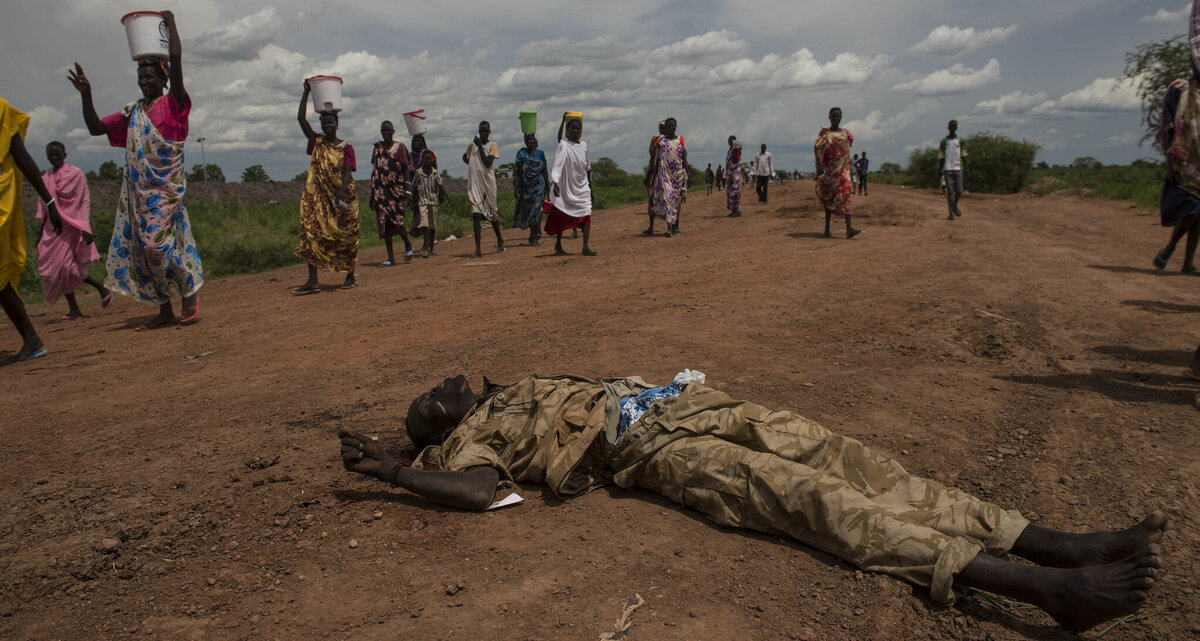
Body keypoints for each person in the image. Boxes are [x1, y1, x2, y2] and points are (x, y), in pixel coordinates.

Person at [338, 371, 1166, 634]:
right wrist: (397, 468)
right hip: (648, 449)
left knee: (854, 460)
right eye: (432, 395)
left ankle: (1050, 541)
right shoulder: (466, 442)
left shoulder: (502, 387)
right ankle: (1037, 588)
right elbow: (478, 490)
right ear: (437, 424)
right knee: (811, 498)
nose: (445, 381)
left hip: (680, 403)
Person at [68, 11, 201, 329]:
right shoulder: (133, 111)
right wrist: (87, 96)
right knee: (142, 251)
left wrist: (170, 28)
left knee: (158, 245)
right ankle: (164, 311)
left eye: (150, 77)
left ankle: (188, 289)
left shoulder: (174, 104)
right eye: (141, 78)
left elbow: (178, 61)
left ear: (164, 79)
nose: (144, 81)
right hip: (138, 194)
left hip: (164, 191)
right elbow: (96, 128)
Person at [1, 98, 64, 363]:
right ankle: (31, 338)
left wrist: (49, 202)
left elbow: (22, 158)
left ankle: (32, 339)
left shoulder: (1, 110)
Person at [293, 81, 357, 294]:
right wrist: (306, 93)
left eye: (330, 123)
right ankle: (313, 280)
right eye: (324, 123)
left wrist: (341, 192)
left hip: (341, 196)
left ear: (337, 123)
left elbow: (348, 171)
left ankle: (349, 274)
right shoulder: (317, 142)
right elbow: (301, 119)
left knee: (346, 234)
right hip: (318, 197)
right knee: (311, 231)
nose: (327, 126)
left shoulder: (346, 146)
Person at [36, 141, 110, 320]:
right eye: (51, 155)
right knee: (58, 270)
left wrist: (84, 227)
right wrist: (40, 233)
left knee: (70, 269)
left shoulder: (75, 174)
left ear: (65, 155)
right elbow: (46, 207)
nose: (54, 158)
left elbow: (83, 201)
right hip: (54, 229)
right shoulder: (45, 177)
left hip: (73, 228)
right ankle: (74, 310)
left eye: (57, 154)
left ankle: (102, 288)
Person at [1154, 62, 1200, 275]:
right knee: (1191, 206)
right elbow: (1167, 125)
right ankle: (1171, 247)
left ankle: (1188, 262)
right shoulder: (1179, 89)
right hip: (1184, 161)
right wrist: (1171, 162)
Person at [545, 114, 595, 256]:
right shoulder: (564, 145)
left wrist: (591, 188)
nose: (575, 130)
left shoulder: (584, 146)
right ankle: (558, 245)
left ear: (581, 130)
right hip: (567, 186)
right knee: (562, 213)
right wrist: (562, 121)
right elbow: (558, 139)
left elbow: (588, 168)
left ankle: (585, 247)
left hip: (582, 187)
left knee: (586, 212)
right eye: (572, 128)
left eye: (577, 128)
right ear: (568, 130)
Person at [369, 121, 412, 266]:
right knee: (385, 223)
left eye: (388, 130)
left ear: (393, 131)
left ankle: (408, 244)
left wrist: (407, 188)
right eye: (383, 130)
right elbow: (374, 170)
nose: (386, 132)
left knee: (398, 222)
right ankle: (391, 257)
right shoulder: (377, 148)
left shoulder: (400, 147)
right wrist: (371, 194)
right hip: (381, 192)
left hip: (396, 191)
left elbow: (406, 167)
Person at [814, 107, 861, 239]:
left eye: (838, 116)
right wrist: (820, 169)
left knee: (846, 196)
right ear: (829, 117)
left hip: (843, 171)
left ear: (841, 118)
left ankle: (849, 229)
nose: (836, 118)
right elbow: (818, 151)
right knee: (829, 197)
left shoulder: (846, 134)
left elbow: (846, 151)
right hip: (829, 171)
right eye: (833, 116)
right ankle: (827, 229)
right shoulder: (825, 134)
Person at [463, 121, 504, 258]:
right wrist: (468, 155)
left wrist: (480, 146)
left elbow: (487, 163)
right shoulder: (472, 146)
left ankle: (500, 239)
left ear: (489, 132)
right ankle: (478, 249)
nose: (484, 133)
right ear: (479, 131)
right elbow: (468, 159)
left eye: (486, 131)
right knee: (475, 215)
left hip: (488, 185)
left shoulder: (493, 146)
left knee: (492, 215)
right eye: (481, 131)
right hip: (475, 185)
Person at [645, 117, 688, 237]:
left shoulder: (680, 140)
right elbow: (656, 159)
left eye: (671, 126)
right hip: (664, 175)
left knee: (675, 200)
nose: (669, 128)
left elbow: (683, 157)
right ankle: (669, 228)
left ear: (675, 127)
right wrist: (652, 175)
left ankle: (676, 225)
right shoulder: (660, 141)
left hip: (677, 176)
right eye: (667, 126)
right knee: (667, 198)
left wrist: (687, 174)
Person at [410, 149, 448, 258]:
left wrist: (445, 196)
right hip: (422, 201)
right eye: (426, 159)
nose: (428, 161)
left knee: (432, 226)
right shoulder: (419, 172)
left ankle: (432, 248)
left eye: (429, 159)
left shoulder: (435, 172)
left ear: (432, 160)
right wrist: (411, 200)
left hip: (433, 201)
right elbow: (414, 186)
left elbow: (440, 185)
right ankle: (426, 247)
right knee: (424, 224)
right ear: (422, 160)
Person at [512, 132, 549, 246]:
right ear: (525, 142)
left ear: (535, 141)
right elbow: (517, 173)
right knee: (529, 211)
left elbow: (545, 171)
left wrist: (549, 188)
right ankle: (534, 232)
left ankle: (534, 237)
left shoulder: (540, 154)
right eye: (528, 140)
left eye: (532, 139)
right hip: (526, 188)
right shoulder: (521, 154)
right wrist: (516, 188)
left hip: (539, 186)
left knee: (536, 210)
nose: (530, 142)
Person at [939, 120, 968, 220]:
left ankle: (954, 206)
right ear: (948, 128)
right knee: (950, 192)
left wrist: (967, 167)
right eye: (951, 126)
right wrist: (940, 170)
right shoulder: (944, 142)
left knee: (959, 191)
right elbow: (941, 157)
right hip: (947, 169)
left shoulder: (960, 140)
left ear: (956, 128)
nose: (952, 128)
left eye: (954, 127)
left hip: (958, 168)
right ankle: (951, 213)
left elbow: (964, 155)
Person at [725, 136, 743, 217]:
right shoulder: (730, 150)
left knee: (735, 193)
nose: (729, 141)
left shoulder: (736, 150)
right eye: (729, 140)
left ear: (734, 142)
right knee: (730, 193)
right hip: (729, 174)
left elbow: (735, 160)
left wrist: (737, 147)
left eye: (731, 140)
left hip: (735, 175)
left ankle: (737, 211)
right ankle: (733, 210)